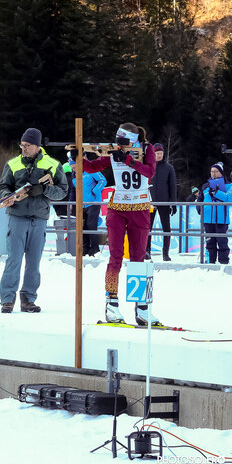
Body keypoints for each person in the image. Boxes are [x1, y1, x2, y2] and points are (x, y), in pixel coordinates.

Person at [77, 123, 157, 325]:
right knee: (115, 256)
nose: (119, 145)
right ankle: (111, 303)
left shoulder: (147, 148)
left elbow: (150, 172)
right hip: (118, 207)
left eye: (123, 141)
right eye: (118, 141)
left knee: (139, 257)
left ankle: (142, 306)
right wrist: (80, 159)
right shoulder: (113, 151)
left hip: (140, 207)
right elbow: (93, 167)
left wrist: (129, 160)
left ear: (133, 140)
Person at [0, 128, 67, 314]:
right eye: (22, 145)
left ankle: (28, 299)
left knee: (33, 262)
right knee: (13, 260)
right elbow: (3, 187)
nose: (23, 148)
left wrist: (45, 190)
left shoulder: (53, 164)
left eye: (27, 145)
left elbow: (62, 191)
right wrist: (6, 196)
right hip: (17, 217)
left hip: (39, 219)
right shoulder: (12, 164)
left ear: (37, 146)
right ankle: (7, 299)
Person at [197, 162, 232, 265]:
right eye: (212, 171)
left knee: (222, 242)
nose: (213, 174)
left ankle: (224, 262)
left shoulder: (230, 186)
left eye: (216, 171)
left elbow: (229, 198)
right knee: (210, 242)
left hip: (221, 219)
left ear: (221, 173)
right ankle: (211, 262)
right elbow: (199, 199)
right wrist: (199, 209)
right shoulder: (205, 186)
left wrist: (216, 192)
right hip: (207, 219)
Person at [71, 153, 107, 256]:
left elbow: (103, 180)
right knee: (83, 226)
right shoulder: (74, 175)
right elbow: (74, 190)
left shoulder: (90, 169)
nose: (74, 170)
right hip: (82, 204)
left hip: (93, 202)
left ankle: (95, 248)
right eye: (72, 168)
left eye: (75, 167)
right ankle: (85, 248)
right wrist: (72, 202)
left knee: (91, 226)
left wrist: (95, 190)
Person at [146, 143, 177, 261]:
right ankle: (147, 251)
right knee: (147, 228)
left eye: (161, 153)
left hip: (164, 202)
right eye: (157, 153)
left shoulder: (169, 168)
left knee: (166, 228)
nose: (159, 155)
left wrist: (173, 203)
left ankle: (165, 253)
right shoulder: (148, 166)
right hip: (150, 202)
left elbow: (173, 186)